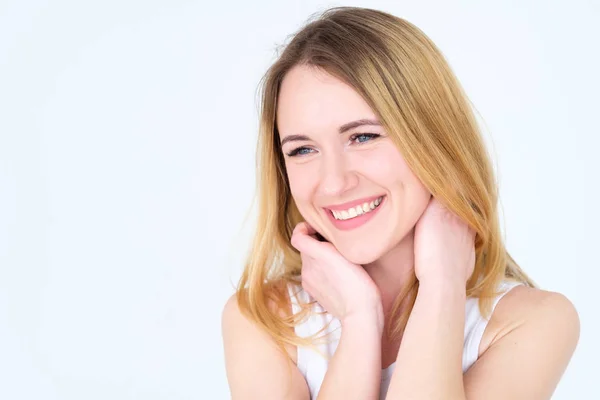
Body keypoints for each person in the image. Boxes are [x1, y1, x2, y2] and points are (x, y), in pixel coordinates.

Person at [221, 6, 579, 400]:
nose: (335, 183)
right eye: (303, 149)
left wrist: (442, 285)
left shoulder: (532, 322)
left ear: (432, 136)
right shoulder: (264, 320)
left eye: (363, 137)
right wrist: (359, 320)